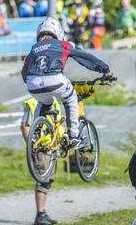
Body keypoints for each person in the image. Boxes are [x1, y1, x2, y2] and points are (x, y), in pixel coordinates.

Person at [21, 17, 112, 148]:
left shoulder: (33, 49)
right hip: (55, 79)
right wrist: (105, 69)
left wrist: (35, 82)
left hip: (33, 83)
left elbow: (24, 72)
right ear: (58, 32)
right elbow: (84, 57)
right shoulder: (63, 44)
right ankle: (74, 136)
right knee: (71, 98)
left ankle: (35, 135)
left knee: (43, 102)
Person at [21, 97, 64, 225]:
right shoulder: (32, 103)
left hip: (51, 148)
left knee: (48, 180)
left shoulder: (54, 101)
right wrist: (33, 146)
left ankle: (43, 213)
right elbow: (24, 126)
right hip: (41, 149)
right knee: (43, 180)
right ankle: (40, 214)